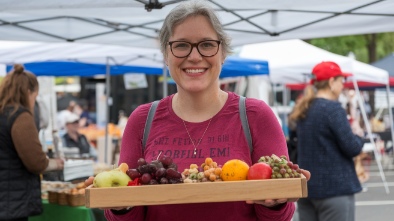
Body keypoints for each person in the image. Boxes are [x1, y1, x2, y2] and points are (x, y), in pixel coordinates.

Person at [86, 1, 310, 220]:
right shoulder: (142, 120)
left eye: (207, 44)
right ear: (166, 54)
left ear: (223, 53)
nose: (194, 56)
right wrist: (119, 207)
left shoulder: (256, 116)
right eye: (181, 45)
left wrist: (276, 203)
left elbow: (280, 216)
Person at [288, 61, 364, 221]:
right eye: (341, 81)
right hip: (335, 190)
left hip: (307, 189)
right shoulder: (333, 109)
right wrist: (359, 134)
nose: (342, 86)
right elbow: (352, 147)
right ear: (331, 82)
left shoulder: (304, 108)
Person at [0, 64, 64, 221]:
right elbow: (36, 162)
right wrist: (57, 164)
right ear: (28, 92)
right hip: (12, 201)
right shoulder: (20, 117)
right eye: (35, 96)